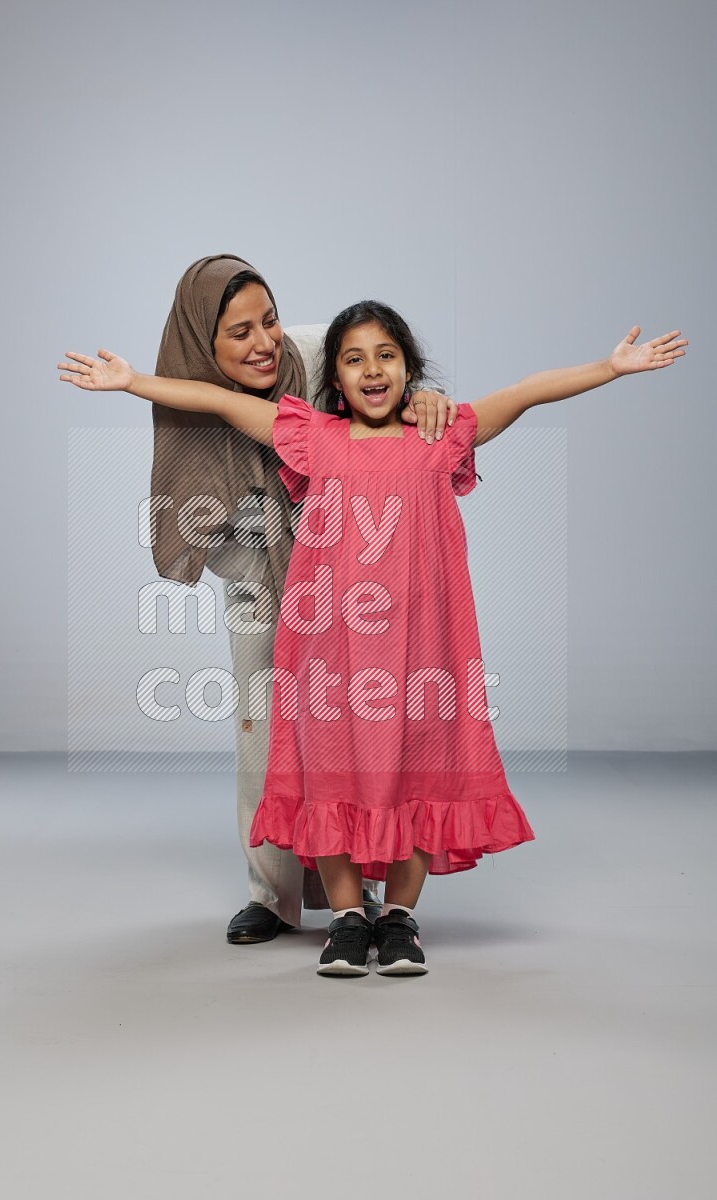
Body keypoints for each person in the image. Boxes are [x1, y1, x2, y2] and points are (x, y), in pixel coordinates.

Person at [59, 302, 687, 978]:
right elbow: (216, 401)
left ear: (410, 367)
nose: (372, 370)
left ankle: (400, 920)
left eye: (386, 355)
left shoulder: (442, 437)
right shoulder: (313, 437)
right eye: (354, 359)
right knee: (331, 771)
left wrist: (611, 368)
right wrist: (132, 382)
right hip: (330, 650)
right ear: (335, 378)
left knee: (417, 772)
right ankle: (349, 919)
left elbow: (527, 392)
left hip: (422, 651)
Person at [117, 256, 457, 944]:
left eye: (268, 320)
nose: (263, 342)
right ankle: (271, 896)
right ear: (202, 345)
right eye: (238, 333)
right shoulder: (188, 399)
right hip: (259, 571)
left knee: (359, 729)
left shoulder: (310, 353)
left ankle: (358, 893)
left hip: (360, 575)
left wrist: (427, 397)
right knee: (264, 729)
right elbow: (197, 521)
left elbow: (382, 381)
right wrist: (288, 576)